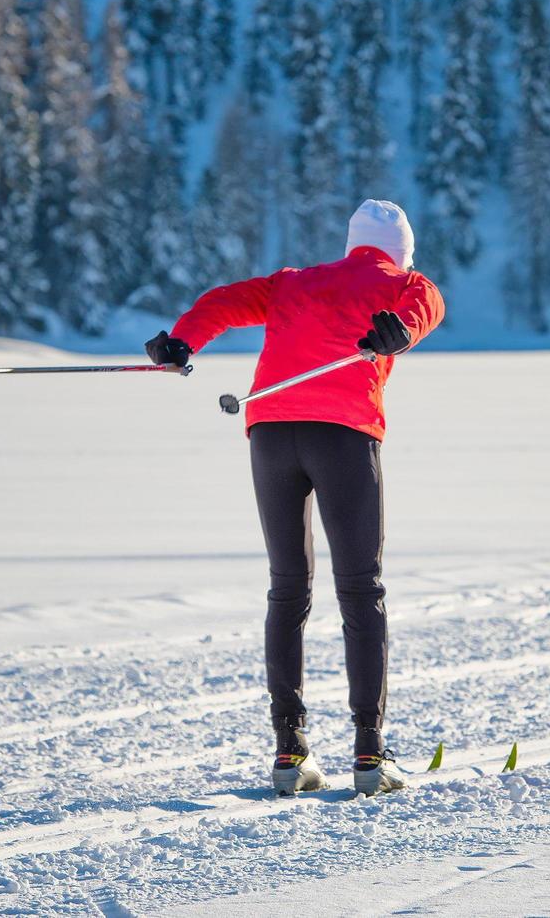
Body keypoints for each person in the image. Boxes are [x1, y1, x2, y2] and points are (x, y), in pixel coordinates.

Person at [146, 199, 444, 796]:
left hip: (271, 433)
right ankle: (369, 754)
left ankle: (289, 751)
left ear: (352, 242)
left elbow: (223, 303)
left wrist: (182, 342)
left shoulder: (294, 282)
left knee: (288, 587)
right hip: (344, 434)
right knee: (361, 588)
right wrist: (398, 333)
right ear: (402, 250)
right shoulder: (408, 282)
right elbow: (424, 310)